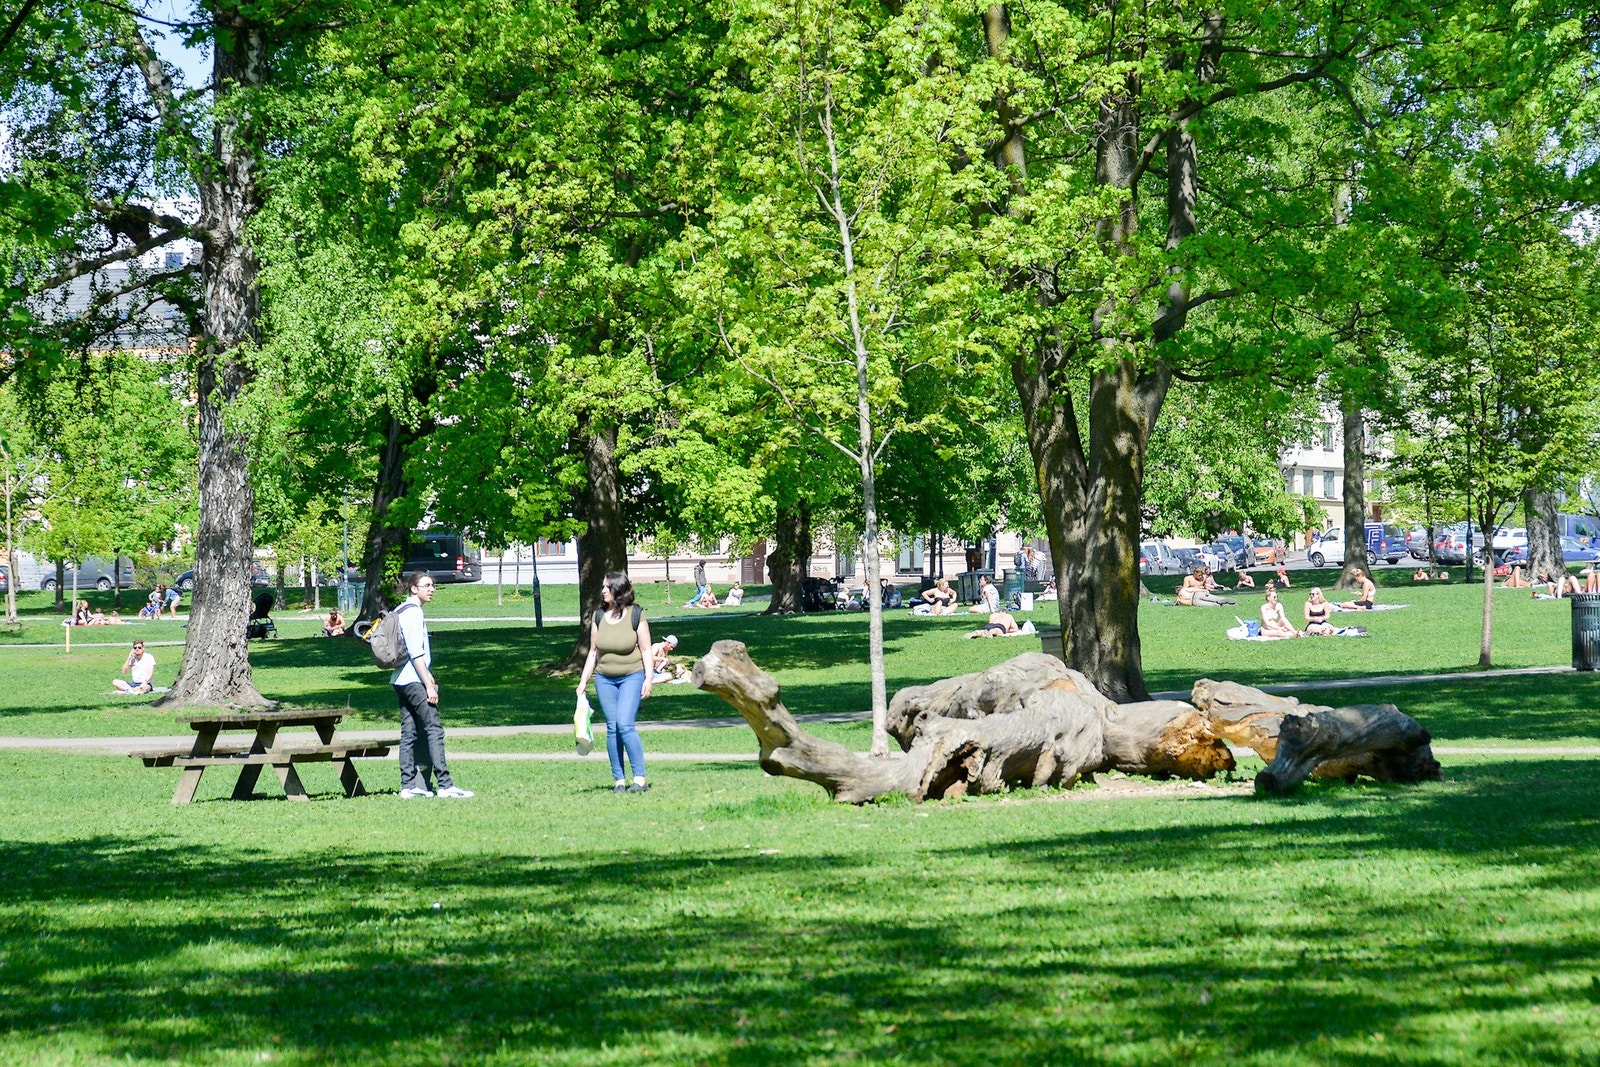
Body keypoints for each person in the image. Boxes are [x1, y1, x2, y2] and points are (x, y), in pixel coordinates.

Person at [391, 572, 473, 799]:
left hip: (400, 679)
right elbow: (416, 652)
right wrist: (428, 683)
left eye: (433, 585)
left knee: (409, 732)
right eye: (426, 585)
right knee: (433, 729)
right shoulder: (413, 613)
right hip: (414, 680)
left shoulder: (400, 610)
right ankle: (445, 785)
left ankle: (409, 786)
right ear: (413, 588)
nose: (432, 589)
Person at [578, 571, 654, 794]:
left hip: (632, 675)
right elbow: (593, 652)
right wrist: (583, 682)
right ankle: (619, 780)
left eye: (606, 587)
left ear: (618, 590)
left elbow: (647, 650)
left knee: (624, 724)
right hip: (605, 679)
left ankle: (639, 778)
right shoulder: (599, 616)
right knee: (612, 728)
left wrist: (648, 679)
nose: (602, 591)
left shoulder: (635, 615)